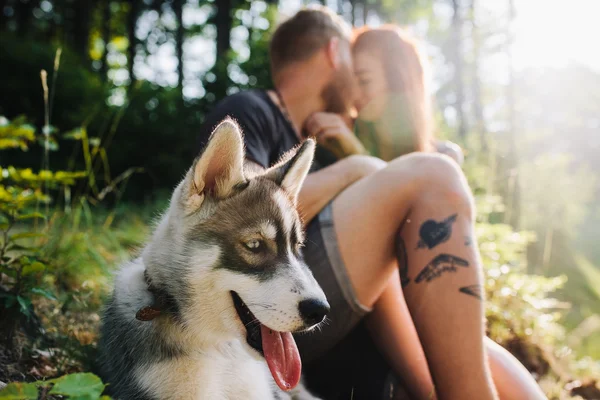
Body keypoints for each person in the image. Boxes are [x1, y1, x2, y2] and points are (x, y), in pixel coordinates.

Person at [195, 6, 545, 400]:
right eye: (354, 66)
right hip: (267, 310)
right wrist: (357, 168)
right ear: (334, 53)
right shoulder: (250, 111)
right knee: (434, 176)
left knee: (465, 340)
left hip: (328, 327)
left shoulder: (324, 142)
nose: (358, 94)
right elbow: (238, 216)